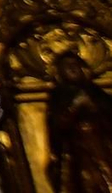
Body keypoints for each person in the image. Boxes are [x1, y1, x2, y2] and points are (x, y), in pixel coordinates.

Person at [47, 50, 112, 193]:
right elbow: (57, 126)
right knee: (87, 181)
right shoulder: (59, 95)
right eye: (67, 66)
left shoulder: (94, 91)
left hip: (102, 144)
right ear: (60, 72)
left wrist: (94, 107)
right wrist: (75, 107)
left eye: (75, 65)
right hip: (78, 150)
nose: (72, 69)